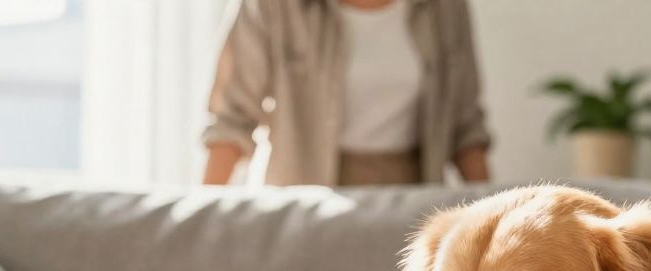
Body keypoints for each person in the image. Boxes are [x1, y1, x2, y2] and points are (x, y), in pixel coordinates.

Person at [201, 0, 492, 187]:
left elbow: (465, 126)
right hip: (299, 200)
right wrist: (198, 230)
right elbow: (232, 119)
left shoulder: (444, 8)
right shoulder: (274, 6)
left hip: (411, 201)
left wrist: (498, 228)